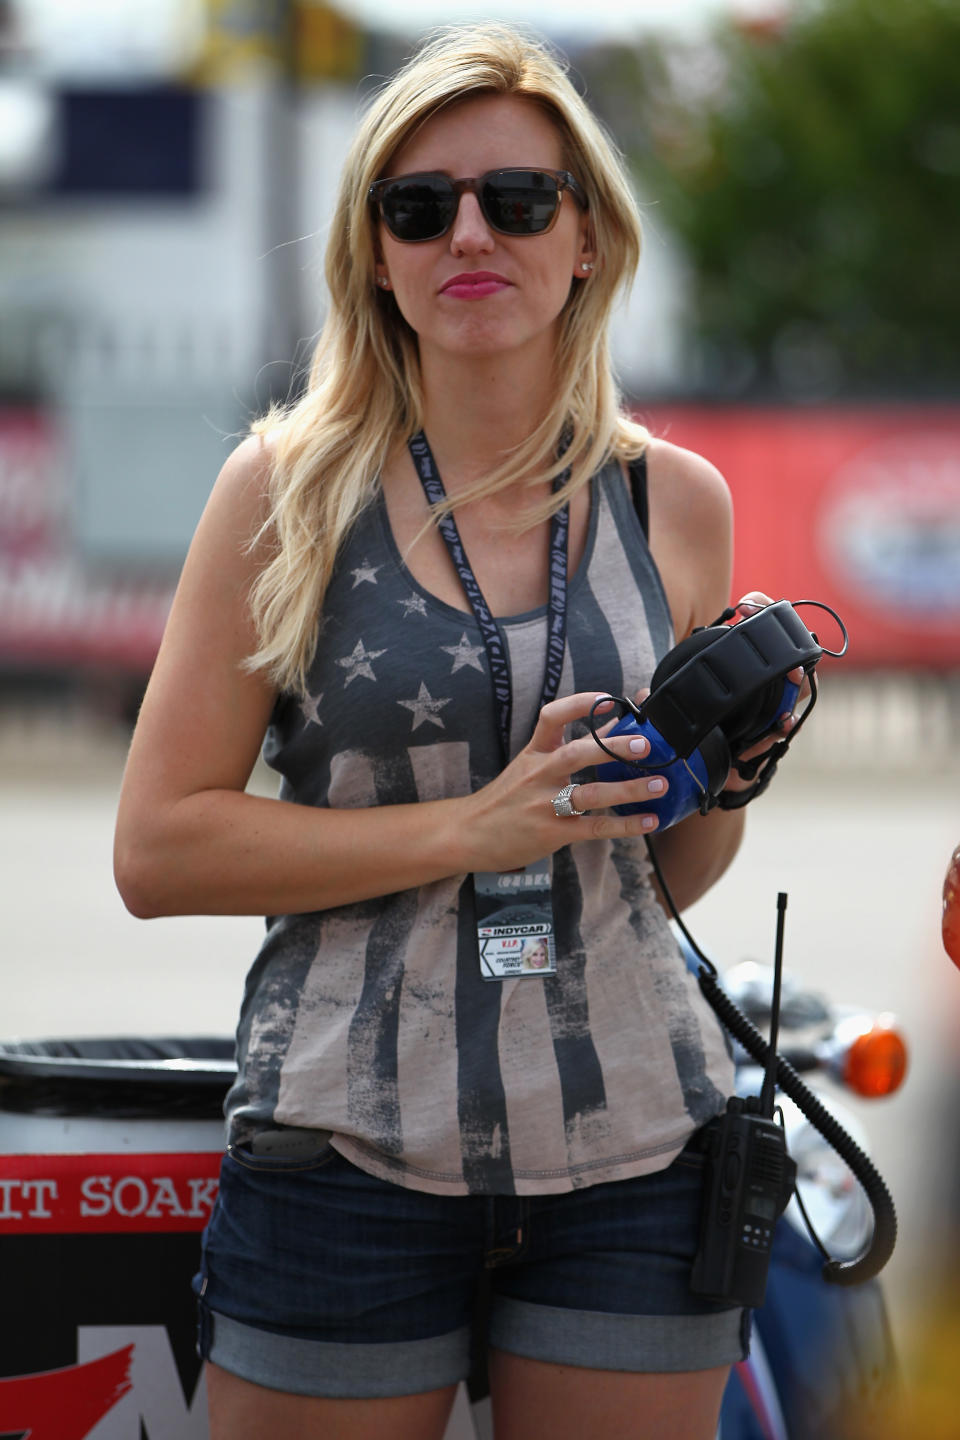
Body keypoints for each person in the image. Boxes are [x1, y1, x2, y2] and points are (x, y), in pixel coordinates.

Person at [114, 23, 797, 1440]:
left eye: (517, 199)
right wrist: (474, 828)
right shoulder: (280, 492)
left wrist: (721, 784)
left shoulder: (678, 502)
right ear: (373, 252)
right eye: (417, 207)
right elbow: (157, 848)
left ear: (590, 236)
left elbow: (658, 876)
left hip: (636, 1147)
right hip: (347, 1148)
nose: (467, 233)